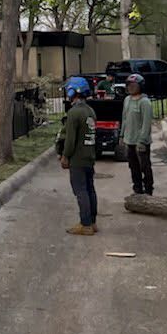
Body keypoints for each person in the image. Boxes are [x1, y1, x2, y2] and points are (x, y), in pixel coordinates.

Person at [61, 77, 98, 236]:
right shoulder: (90, 110)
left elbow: (70, 140)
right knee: (90, 189)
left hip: (77, 158)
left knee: (80, 191)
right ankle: (93, 222)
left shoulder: (74, 112)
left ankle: (86, 224)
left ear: (73, 91)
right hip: (89, 156)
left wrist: (65, 156)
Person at [120, 73, 153, 195]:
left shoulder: (145, 102)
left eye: (134, 85)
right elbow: (124, 119)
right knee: (133, 167)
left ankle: (149, 190)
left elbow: (146, 124)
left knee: (144, 167)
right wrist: (122, 135)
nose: (131, 87)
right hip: (129, 141)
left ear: (140, 86)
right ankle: (137, 189)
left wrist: (142, 141)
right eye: (129, 85)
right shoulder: (127, 100)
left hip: (141, 143)